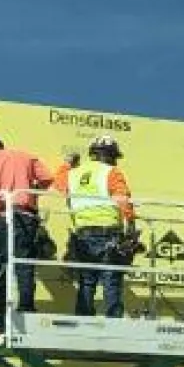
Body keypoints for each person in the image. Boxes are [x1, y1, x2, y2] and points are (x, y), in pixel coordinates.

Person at [0, 135, 55, 335]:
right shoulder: (25, 156)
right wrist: (31, 193)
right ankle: (26, 310)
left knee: (0, 268)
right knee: (24, 264)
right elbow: (47, 179)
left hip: (1, 220)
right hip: (26, 217)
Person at [53, 134, 137, 318]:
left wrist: (68, 163)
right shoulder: (111, 172)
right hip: (109, 233)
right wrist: (130, 224)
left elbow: (58, 183)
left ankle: (84, 318)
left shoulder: (74, 173)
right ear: (109, 154)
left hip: (83, 235)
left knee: (87, 280)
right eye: (114, 156)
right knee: (111, 279)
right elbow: (122, 198)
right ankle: (113, 320)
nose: (115, 161)